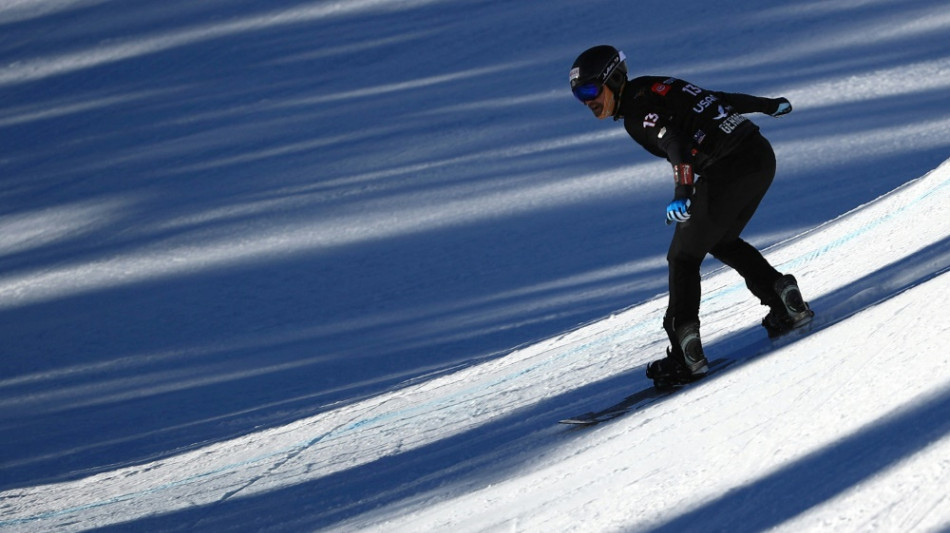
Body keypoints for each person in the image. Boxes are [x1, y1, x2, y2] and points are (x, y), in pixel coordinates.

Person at [569, 45, 814, 389]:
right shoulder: (657, 85)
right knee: (720, 239)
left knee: (683, 257)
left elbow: (676, 145)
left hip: (728, 169)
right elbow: (717, 99)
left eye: (591, 89)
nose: (587, 101)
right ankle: (782, 297)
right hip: (759, 156)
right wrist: (766, 105)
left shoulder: (638, 115)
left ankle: (687, 354)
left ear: (614, 79)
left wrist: (682, 192)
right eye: (578, 94)